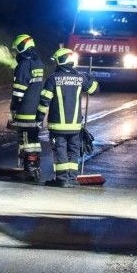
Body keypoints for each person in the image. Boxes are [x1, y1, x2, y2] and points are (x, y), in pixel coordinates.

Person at [37, 47, 99, 187]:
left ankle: (62, 179)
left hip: (57, 125)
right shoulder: (80, 78)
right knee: (73, 151)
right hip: (75, 125)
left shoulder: (53, 79)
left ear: (61, 61)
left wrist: (39, 119)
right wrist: (90, 77)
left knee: (60, 151)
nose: (55, 64)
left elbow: (44, 101)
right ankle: (71, 178)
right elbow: (94, 89)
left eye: (56, 61)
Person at [9, 34, 46, 182]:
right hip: (35, 110)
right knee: (33, 140)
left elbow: (19, 90)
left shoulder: (24, 64)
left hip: (25, 110)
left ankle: (29, 170)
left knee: (25, 141)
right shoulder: (38, 63)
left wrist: (14, 106)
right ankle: (35, 167)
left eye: (18, 49)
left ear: (22, 47)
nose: (17, 52)